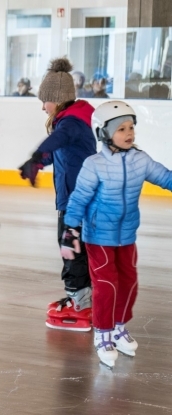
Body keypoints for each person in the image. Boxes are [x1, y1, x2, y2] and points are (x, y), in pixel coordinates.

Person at [61, 101, 172, 368]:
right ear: (104, 133)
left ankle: (118, 328)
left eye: (131, 127)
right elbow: (79, 198)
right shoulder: (94, 164)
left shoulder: (140, 159)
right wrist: (70, 230)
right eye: (121, 129)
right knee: (107, 284)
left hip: (126, 235)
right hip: (98, 236)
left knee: (129, 283)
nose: (129, 133)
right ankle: (102, 333)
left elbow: (165, 177)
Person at [18, 58, 96, 331]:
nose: (43, 107)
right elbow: (57, 149)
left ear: (58, 99)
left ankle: (80, 302)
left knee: (70, 248)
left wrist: (36, 155)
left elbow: (56, 141)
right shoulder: (73, 121)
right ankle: (84, 296)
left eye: (45, 101)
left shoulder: (71, 123)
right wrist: (39, 162)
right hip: (77, 198)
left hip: (76, 200)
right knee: (79, 248)